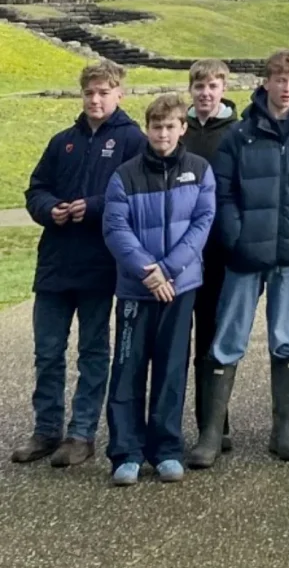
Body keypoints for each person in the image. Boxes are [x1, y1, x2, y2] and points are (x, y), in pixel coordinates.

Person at [188, 49, 289, 468]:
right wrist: (235, 236)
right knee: (227, 340)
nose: (286, 88)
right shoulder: (240, 135)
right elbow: (223, 193)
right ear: (265, 82)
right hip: (246, 254)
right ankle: (212, 434)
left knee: (287, 339)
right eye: (278, 79)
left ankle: (283, 430)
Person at [13, 60, 145, 468]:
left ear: (119, 93)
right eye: (89, 92)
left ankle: (81, 433)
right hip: (54, 264)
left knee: (92, 351)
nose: (95, 98)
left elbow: (138, 195)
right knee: (48, 351)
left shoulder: (132, 141)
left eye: (104, 91)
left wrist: (92, 207)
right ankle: (46, 429)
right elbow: (36, 189)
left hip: (100, 264)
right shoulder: (62, 141)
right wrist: (50, 208)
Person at [101, 94, 216, 485]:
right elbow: (116, 229)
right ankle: (126, 452)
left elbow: (202, 224)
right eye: (156, 126)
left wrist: (168, 270)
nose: (162, 133)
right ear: (147, 129)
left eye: (170, 126)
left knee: (170, 370)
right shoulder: (125, 175)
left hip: (180, 287)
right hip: (137, 290)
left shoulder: (200, 171)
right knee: (128, 369)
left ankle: (166, 449)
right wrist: (149, 273)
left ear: (183, 128)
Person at [183, 59, 239, 454]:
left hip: (219, 250)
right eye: (200, 86)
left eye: (213, 86)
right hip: (180, 250)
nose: (206, 93)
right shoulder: (178, 129)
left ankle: (215, 423)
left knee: (212, 338)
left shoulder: (236, 132)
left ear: (223, 89)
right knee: (174, 341)